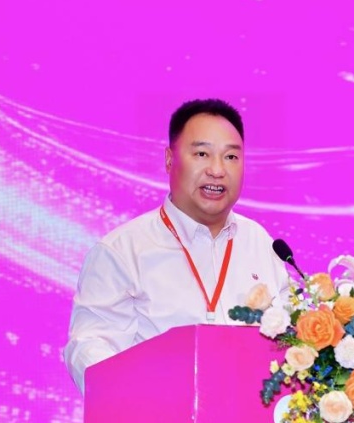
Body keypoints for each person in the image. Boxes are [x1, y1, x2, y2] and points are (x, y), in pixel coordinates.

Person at [64, 98, 291, 392]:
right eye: (202, 154)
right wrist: (136, 400)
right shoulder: (123, 251)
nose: (217, 170)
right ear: (170, 159)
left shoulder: (262, 244)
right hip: (156, 416)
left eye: (231, 157)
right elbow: (90, 347)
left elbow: (290, 340)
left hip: (252, 417)